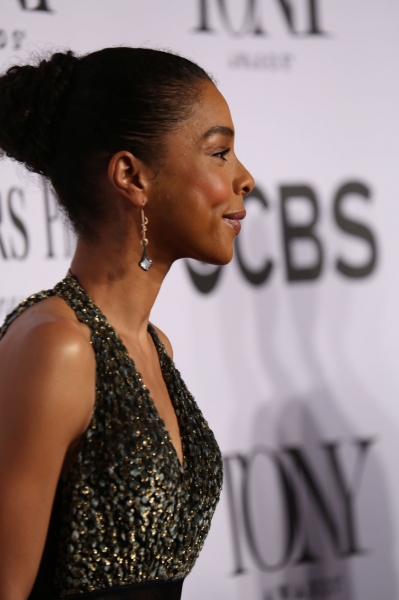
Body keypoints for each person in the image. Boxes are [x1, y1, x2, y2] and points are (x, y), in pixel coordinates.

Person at [0, 47, 254, 600]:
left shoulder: (154, 346)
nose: (245, 178)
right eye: (220, 152)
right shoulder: (57, 346)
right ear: (131, 176)